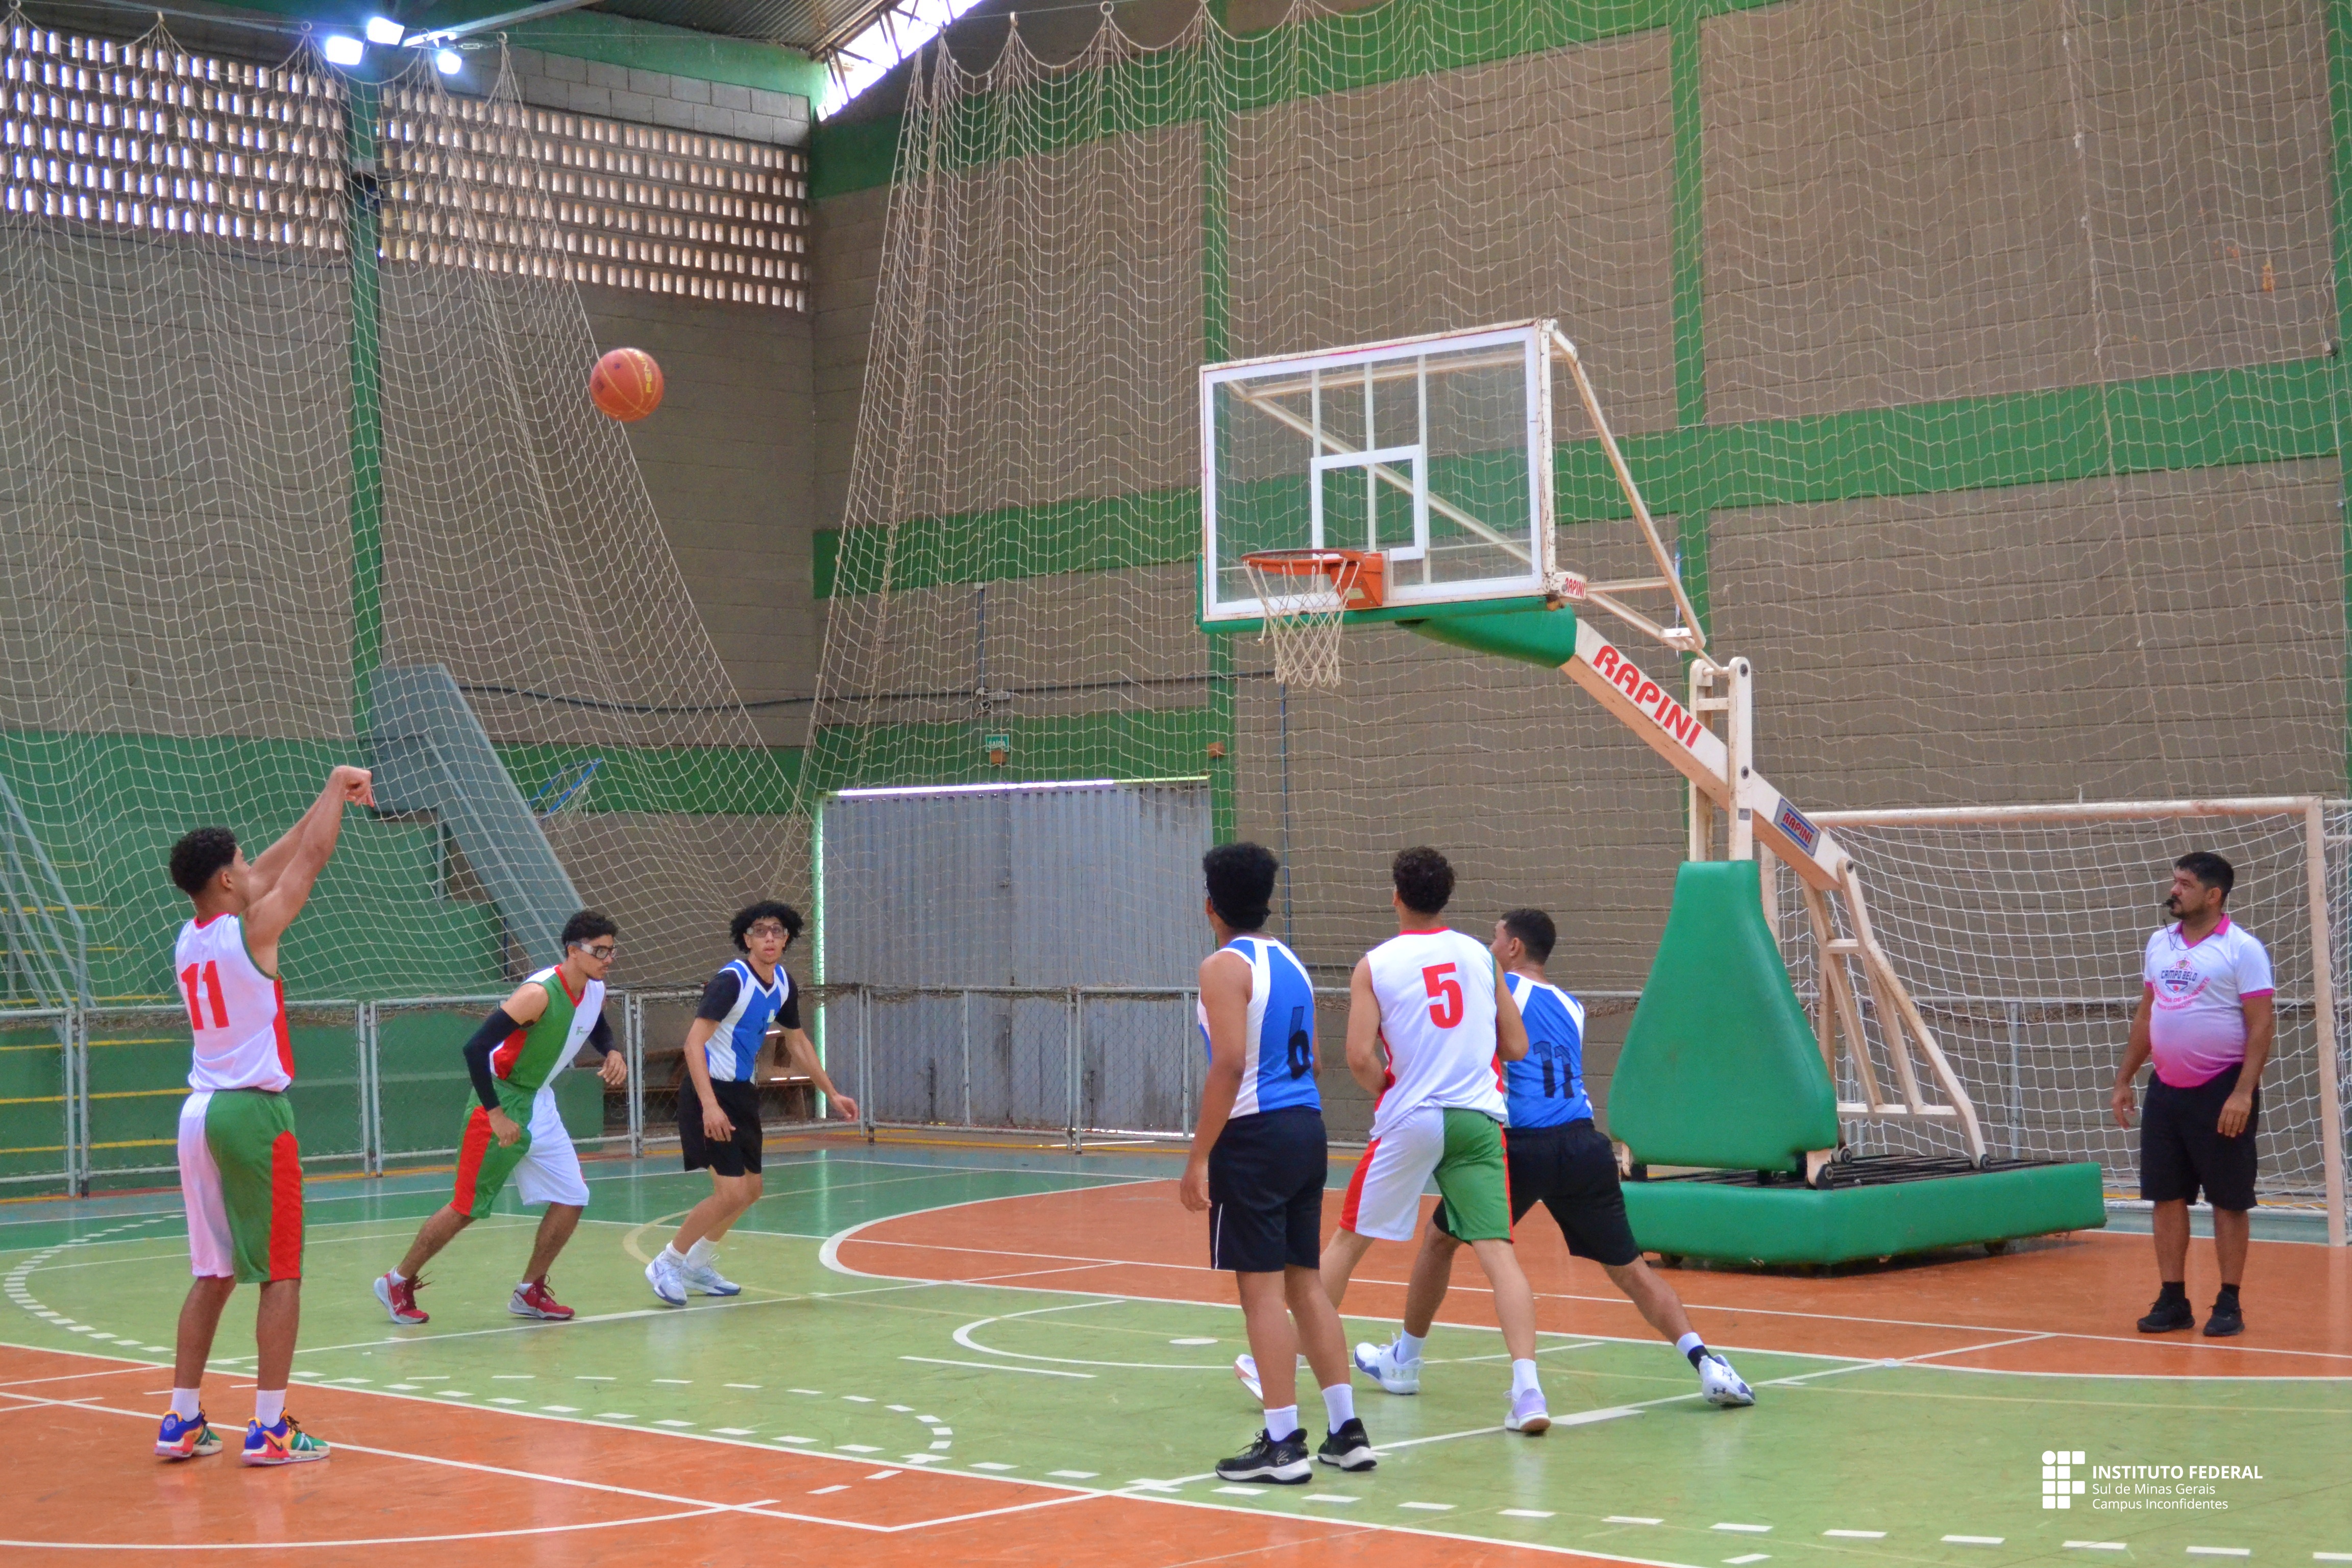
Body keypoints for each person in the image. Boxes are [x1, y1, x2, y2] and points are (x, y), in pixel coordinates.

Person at [1352, 908, 1754, 1409]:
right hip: (1584, 1147)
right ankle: (1708, 1363)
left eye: (1497, 938)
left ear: (1514, 947)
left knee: (1438, 1241)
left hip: (1523, 1145)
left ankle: (1405, 1361)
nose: (1491, 946)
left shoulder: (1500, 990)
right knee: (1631, 1271)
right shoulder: (1573, 1006)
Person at [157, 764, 374, 1467]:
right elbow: (309, 858)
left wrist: (330, 790)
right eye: (243, 863)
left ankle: (182, 1420)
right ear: (226, 880)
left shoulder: (190, 939)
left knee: (213, 1272)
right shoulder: (254, 932)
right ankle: (273, 1429)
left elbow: (280, 855)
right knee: (281, 1273)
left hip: (197, 1113)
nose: (255, 867)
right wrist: (338, 794)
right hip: (250, 1112)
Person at [1319, 847, 1554, 1434]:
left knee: (1348, 1242)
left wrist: (1389, 1088)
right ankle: (1528, 1391)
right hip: (1478, 1119)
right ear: (1446, 896)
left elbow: (1357, 1056)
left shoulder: (1376, 964)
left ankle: (1273, 1355)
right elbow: (1518, 1046)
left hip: (1414, 1116)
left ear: (1395, 894)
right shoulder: (1480, 955)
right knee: (1499, 1254)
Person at [1179, 843, 1371, 1484]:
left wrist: (1199, 1155)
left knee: (1258, 1289)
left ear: (1210, 906)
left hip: (1256, 1135)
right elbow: (1311, 1059)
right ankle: (1346, 1431)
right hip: (1306, 1129)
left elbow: (1230, 1063)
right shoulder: (1290, 961)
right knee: (1304, 1281)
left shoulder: (1222, 967)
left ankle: (1284, 1443)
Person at [373, 911, 629, 1325]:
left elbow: (595, 1023)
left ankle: (529, 1291)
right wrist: (494, 1115)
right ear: (573, 951)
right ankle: (396, 1280)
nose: (608, 958)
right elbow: (475, 1048)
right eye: (599, 951)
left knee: (573, 1196)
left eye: (612, 950)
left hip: (539, 1104)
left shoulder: (594, 987)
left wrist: (612, 1049)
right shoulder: (539, 994)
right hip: (500, 1101)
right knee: (467, 1207)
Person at [646, 900, 857, 1306]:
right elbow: (693, 1044)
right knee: (729, 1192)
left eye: (778, 931)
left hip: (742, 1093)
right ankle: (667, 1262)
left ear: (787, 939)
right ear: (747, 938)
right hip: (708, 1091)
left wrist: (831, 1092)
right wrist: (709, 1105)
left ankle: (697, 1264)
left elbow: (797, 1042)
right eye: (761, 930)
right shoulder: (731, 981)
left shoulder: (783, 985)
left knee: (751, 1190)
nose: (769, 938)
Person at [2112, 852, 2274, 1338]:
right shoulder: (2159, 944)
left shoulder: (2242, 949)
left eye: (2185, 883)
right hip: (2167, 1091)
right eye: (2174, 881)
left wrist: (2243, 1093)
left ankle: (2228, 1303)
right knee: (2166, 1196)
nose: (2174, 890)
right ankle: (2172, 1297)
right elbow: (2148, 1014)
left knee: (2229, 1200)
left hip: (2222, 1090)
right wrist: (2124, 1079)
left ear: (2213, 894)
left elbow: (2262, 1023)